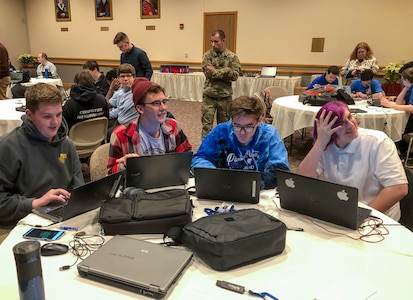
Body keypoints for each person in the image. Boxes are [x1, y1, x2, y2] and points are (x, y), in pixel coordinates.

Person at [297, 101, 407, 221]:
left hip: (376, 215)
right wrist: (320, 142)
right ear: (329, 130)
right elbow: (303, 179)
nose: (350, 124)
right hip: (343, 212)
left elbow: (398, 188)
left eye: (350, 117)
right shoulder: (327, 144)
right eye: (342, 123)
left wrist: (362, 216)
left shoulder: (377, 142)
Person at [0, 83, 84, 225]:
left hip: (60, 219)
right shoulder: (9, 146)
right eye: (47, 116)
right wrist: (36, 203)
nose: (55, 122)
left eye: (58, 114)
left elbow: (79, 189)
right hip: (19, 223)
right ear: (29, 115)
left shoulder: (67, 145)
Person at [192, 96, 290, 190]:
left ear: (259, 121)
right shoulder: (220, 131)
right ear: (232, 121)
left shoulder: (270, 134)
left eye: (248, 126)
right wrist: (214, 176)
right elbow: (199, 158)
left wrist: (257, 182)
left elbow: (280, 171)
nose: (242, 133)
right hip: (223, 188)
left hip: (256, 190)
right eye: (237, 126)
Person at [107, 77, 192, 174]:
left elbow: (187, 156)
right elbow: (110, 174)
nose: (163, 108)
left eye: (164, 102)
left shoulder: (173, 126)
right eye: (156, 103)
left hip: (169, 183)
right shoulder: (120, 135)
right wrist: (124, 166)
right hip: (138, 187)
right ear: (140, 109)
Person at [201, 29, 241, 138]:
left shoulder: (232, 57)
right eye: (211, 41)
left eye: (216, 41)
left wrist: (217, 71)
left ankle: (224, 151)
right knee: (206, 126)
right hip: (209, 96)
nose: (213, 44)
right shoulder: (207, 56)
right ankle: (205, 152)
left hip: (225, 97)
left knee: (225, 127)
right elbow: (209, 74)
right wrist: (227, 70)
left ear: (223, 40)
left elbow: (235, 76)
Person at [380, 67, 413, 156]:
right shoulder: (410, 88)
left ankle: (397, 152)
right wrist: (405, 88)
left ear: (405, 79)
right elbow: (399, 102)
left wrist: (391, 105)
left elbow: (411, 108)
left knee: (393, 126)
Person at [107, 63, 138, 134]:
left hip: (130, 125)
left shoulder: (135, 92)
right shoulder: (120, 93)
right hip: (120, 120)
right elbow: (120, 109)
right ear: (118, 79)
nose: (126, 79)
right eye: (122, 76)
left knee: (110, 133)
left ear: (134, 77)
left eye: (128, 76)